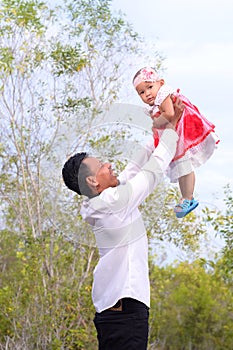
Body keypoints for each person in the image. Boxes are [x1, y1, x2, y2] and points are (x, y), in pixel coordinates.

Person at [61, 97, 184, 350]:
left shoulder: (103, 201)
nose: (109, 165)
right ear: (94, 182)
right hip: (125, 310)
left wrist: (158, 131)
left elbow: (134, 168)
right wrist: (172, 131)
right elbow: (150, 173)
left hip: (116, 310)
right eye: (102, 166)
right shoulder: (113, 202)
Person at [133, 67, 220, 218]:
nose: (147, 93)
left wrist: (156, 123)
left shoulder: (163, 94)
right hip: (178, 129)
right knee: (182, 166)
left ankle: (188, 197)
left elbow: (170, 114)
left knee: (184, 164)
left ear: (160, 83)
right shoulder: (158, 100)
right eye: (141, 92)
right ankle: (186, 197)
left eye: (149, 87)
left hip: (183, 128)